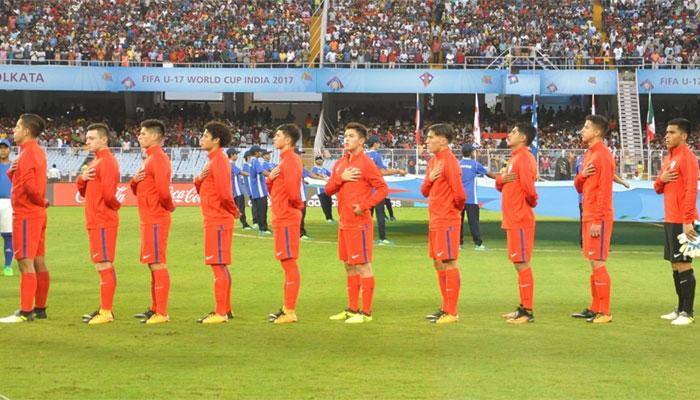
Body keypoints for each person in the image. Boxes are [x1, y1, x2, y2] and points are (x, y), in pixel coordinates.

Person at [326, 123, 388, 324]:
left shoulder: (367, 163)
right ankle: (352, 309)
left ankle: (366, 313)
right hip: (344, 222)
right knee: (348, 266)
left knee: (363, 266)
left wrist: (365, 205)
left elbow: (382, 189)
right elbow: (328, 190)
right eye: (345, 135)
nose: (346, 139)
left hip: (359, 223)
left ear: (361, 141)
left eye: (351, 136)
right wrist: (340, 179)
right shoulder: (340, 164)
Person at [0, 114, 50, 323]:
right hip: (36, 213)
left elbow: (29, 187)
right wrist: (13, 174)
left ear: (27, 131)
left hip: (27, 213)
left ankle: (25, 310)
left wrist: (40, 200)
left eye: (18, 126)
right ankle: (39, 308)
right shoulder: (35, 152)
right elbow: (24, 181)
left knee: (24, 262)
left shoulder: (27, 153)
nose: (14, 130)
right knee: (38, 260)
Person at [130, 119, 175, 324]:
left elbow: (163, 190)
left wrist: (168, 206)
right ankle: (155, 308)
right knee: (152, 264)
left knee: (157, 263)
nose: (140, 136)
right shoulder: (149, 159)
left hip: (156, 217)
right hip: (148, 218)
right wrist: (133, 181)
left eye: (144, 133)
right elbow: (138, 188)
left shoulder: (158, 158)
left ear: (156, 136)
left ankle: (162, 312)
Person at [194, 121, 240, 324]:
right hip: (214, 218)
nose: (201, 138)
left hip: (218, 219)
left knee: (217, 265)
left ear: (216, 140)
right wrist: (198, 181)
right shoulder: (212, 161)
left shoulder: (219, 161)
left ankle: (220, 312)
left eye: (205, 135)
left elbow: (224, 193)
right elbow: (207, 190)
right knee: (219, 264)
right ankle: (226, 309)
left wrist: (234, 211)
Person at [421, 124, 467, 324]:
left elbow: (460, 195)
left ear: (444, 140)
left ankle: (452, 311)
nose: (427, 141)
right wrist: (430, 179)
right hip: (435, 218)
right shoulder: (433, 162)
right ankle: (445, 307)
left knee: (449, 262)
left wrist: (451, 211)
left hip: (447, 218)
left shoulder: (449, 162)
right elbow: (424, 191)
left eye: (431, 137)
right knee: (438, 262)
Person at [653, 118, 697, 325]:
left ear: (684, 136)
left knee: (683, 264)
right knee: (674, 264)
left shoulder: (687, 158)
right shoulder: (669, 158)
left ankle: (687, 313)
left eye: (672, 132)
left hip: (683, 220)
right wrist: (662, 179)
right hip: (671, 218)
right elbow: (657, 186)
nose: (667, 136)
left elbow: (691, 190)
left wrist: (688, 220)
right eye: (667, 132)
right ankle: (680, 308)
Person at [571, 115, 615, 324]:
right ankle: (595, 307)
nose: (582, 130)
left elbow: (605, 190)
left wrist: (598, 220)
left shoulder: (603, 156)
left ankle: (605, 312)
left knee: (598, 261)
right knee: (592, 261)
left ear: (597, 132)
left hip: (599, 216)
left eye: (586, 127)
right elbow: (579, 186)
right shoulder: (589, 154)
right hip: (588, 213)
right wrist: (582, 176)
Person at [76, 123, 121, 325]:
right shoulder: (95, 162)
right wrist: (82, 178)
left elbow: (109, 195)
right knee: (101, 264)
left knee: (104, 263)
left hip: (103, 220)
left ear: (104, 140)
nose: (87, 141)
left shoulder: (107, 162)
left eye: (92, 138)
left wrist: (113, 206)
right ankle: (105, 308)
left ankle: (106, 311)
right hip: (95, 220)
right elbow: (85, 192)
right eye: (87, 137)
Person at [497, 123, 539, 324]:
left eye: (513, 132)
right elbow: (501, 182)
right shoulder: (514, 158)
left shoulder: (524, 158)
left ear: (523, 137)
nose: (509, 134)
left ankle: (528, 312)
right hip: (513, 218)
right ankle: (522, 307)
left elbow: (529, 189)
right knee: (518, 263)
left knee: (522, 263)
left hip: (520, 218)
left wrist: (530, 203)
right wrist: (502, 180)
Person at [266, 124, 305, 324]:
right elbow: (277, 190)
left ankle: (290, 311)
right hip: (282, 216)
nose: (274, 137)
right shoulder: (283, 161)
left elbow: (292, 192)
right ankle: (286, 308)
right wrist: (270, 181)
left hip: (287, 216)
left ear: (288, 140)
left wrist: (297, 207)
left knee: (289, 263)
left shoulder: (290, 160)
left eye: (278, 135)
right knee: (285, 262)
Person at [365, 135, 406, 245]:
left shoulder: (363, 155)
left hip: (365, 191)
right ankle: (382, 238)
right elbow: (381, 172)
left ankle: (366, 238)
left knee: (367, 216)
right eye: (378, 142)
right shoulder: (376, 155)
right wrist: (398, 171)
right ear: (375, 144)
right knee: (380, 214)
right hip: (376, 190)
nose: (379, 144)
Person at [459, 143, 496, 250]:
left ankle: (458, 244)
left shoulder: (457, 164)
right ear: (471, 153)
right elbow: (489, 174)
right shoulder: (475, 164)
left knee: (458, 222)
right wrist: (502, 179)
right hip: (471, 198)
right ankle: (478, 244)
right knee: (473, 222)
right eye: (473, 151)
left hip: (458, 198)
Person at [228, 148, 251, 230]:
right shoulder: (230, 165)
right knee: (241, 209)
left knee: (234, 209)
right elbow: (240, 172)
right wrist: (251, 174)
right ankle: (244, 224)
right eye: (236, 154)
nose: (237, 156)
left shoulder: (230, 164)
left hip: (233, 191)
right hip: (237, 192)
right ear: (231, 155)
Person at [249, 146, 271, 234]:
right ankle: (263, 228)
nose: (261, 153)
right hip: (260, 191)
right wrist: (273, 175)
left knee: (259, 210)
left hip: (256, 191)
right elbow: (262, 172)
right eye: (259, 152)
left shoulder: (252, 161)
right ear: (256, 152)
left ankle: (262, 227)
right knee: (262, 210)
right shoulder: (255, 161)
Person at [0, 139, 14, 277]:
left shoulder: (14, 167)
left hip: (8, 203)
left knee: (8, 235)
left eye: (5, 148)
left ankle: (8, 266)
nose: (2, 150)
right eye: (0, 148)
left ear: (9, 150)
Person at [311, 156, 334, 223]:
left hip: (327, 188)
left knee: (329, 203)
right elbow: (314, 174)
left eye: (320, 159)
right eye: (318, 160)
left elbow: (331, 175)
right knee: (324, 204)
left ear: (323, 161)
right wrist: (322, 176)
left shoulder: (325, 169)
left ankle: (331, 217)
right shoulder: (314, 169)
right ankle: (328, 218)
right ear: (315, 161)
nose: (319, 161)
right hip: (320, 189)